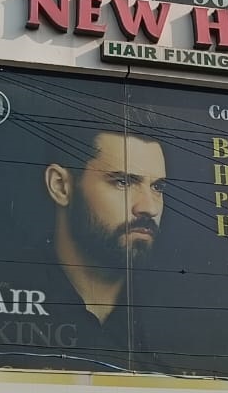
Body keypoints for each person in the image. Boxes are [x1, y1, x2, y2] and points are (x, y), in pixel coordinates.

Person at [40, 119, 168, 362]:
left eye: (157, 187)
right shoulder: (10, 296)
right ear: (61, 186)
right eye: (123, 182)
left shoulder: (171, 324)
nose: (149, 207)